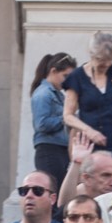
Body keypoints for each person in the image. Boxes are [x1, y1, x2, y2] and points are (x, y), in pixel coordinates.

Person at [63, 30, 112, 158]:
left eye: (109, 60)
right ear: (91, 54)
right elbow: (68, 115)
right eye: (100, 60)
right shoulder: (77, 77)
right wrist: (89, 131)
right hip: (90, 148)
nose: (105, 65)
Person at [29, 54, 76, 187]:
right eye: (65, 76)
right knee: (53, 194)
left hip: (60, 150)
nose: (67, 81)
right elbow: (41, 124)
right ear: (53, 71)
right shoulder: (43, 93)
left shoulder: (57, 94)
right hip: (49, 151)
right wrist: (66, 118)